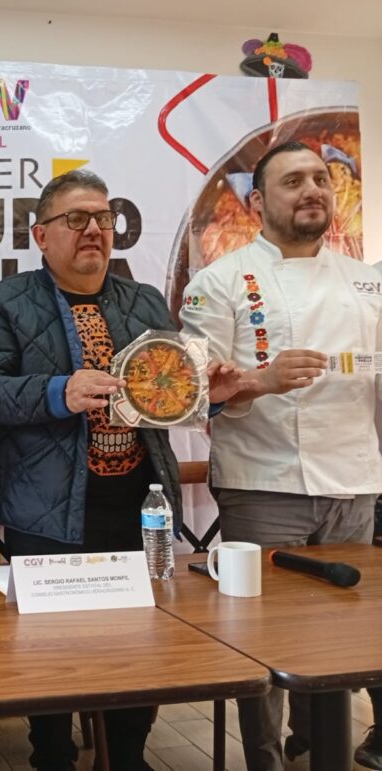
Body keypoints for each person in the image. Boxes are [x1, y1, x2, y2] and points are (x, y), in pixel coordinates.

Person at [0, 169, 244, 771]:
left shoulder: (143, 300)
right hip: (46, 512)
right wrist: (59, 391)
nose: (94, 229)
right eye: (76, 218)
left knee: (140, 645)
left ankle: (126, 756)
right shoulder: (1, 303)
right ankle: (51, 754)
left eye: (103, 217)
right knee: (48, 650)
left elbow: (166, 392)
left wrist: (208, 397)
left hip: (140, 507)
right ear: (41, 235)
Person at [180, 141, 382, 771]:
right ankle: (265, 760)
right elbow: (190, 393)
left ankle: (323, 748)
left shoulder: (368, 281)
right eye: (293, 181)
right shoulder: (219, 282)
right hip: (263, 482)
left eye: (321, 178)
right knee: (259, 635)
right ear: (257, 203)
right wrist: (259, 380)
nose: (312, 190)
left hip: (354, 479)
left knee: (341, 632)